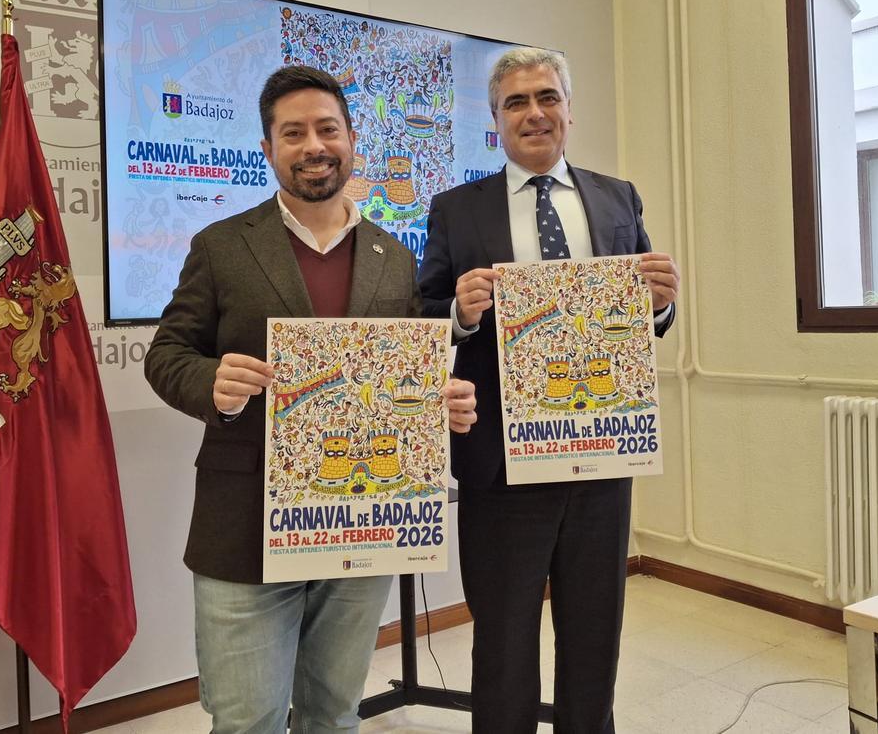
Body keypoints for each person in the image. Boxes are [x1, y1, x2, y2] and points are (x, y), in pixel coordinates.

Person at [145, 65, 477, 734]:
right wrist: (211, 384)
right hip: (243, 529)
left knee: (333, 713)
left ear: (353, 141)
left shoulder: (393, 255)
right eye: (291, 133)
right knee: (248, 721)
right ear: (267, 149)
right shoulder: (221, 246)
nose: (313, 145)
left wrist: (438, 404)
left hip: (363, 524)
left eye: (327, 129)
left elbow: (407, 370)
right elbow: (166, 356)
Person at [418, 47, 681, 733]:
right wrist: (460, 312)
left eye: (547, 97)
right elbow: (423, 314)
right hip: (500, 466)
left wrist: (657, 305)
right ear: (495, 119)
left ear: (568, 106)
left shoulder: (618, 197)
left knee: (594, 636)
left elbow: (646, 320)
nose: (534, 113)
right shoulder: (454, 209)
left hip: (600, 457)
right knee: (503, 643)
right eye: (516, 102)